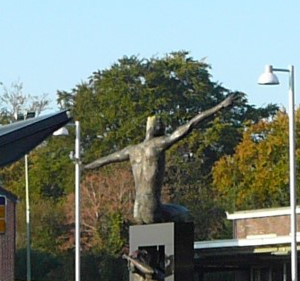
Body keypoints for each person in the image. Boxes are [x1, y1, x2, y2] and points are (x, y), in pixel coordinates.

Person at [82, 93, 239, 224]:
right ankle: (177, 260)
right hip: (152, 208)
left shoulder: (132, 150)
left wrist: (84, 167)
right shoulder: (158, 144)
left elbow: (105, 160)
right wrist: (220, 106)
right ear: (157, 128)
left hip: (137, 210)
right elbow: (190, 125)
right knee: (184, 213)